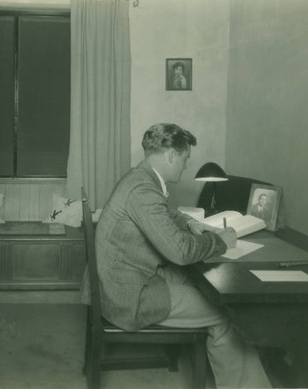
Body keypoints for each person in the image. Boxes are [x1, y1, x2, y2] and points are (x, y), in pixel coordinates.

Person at [81, 123, 271, 388]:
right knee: (225, 316)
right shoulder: (143, 189)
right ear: (171, 155)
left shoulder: (139, 177)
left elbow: (164, 211)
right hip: (129, 297)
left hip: (121, 279)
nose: (185, 166)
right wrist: (220, 241)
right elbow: (181, 252)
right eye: (185, 159)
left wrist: (189, 223)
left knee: (200, 285)